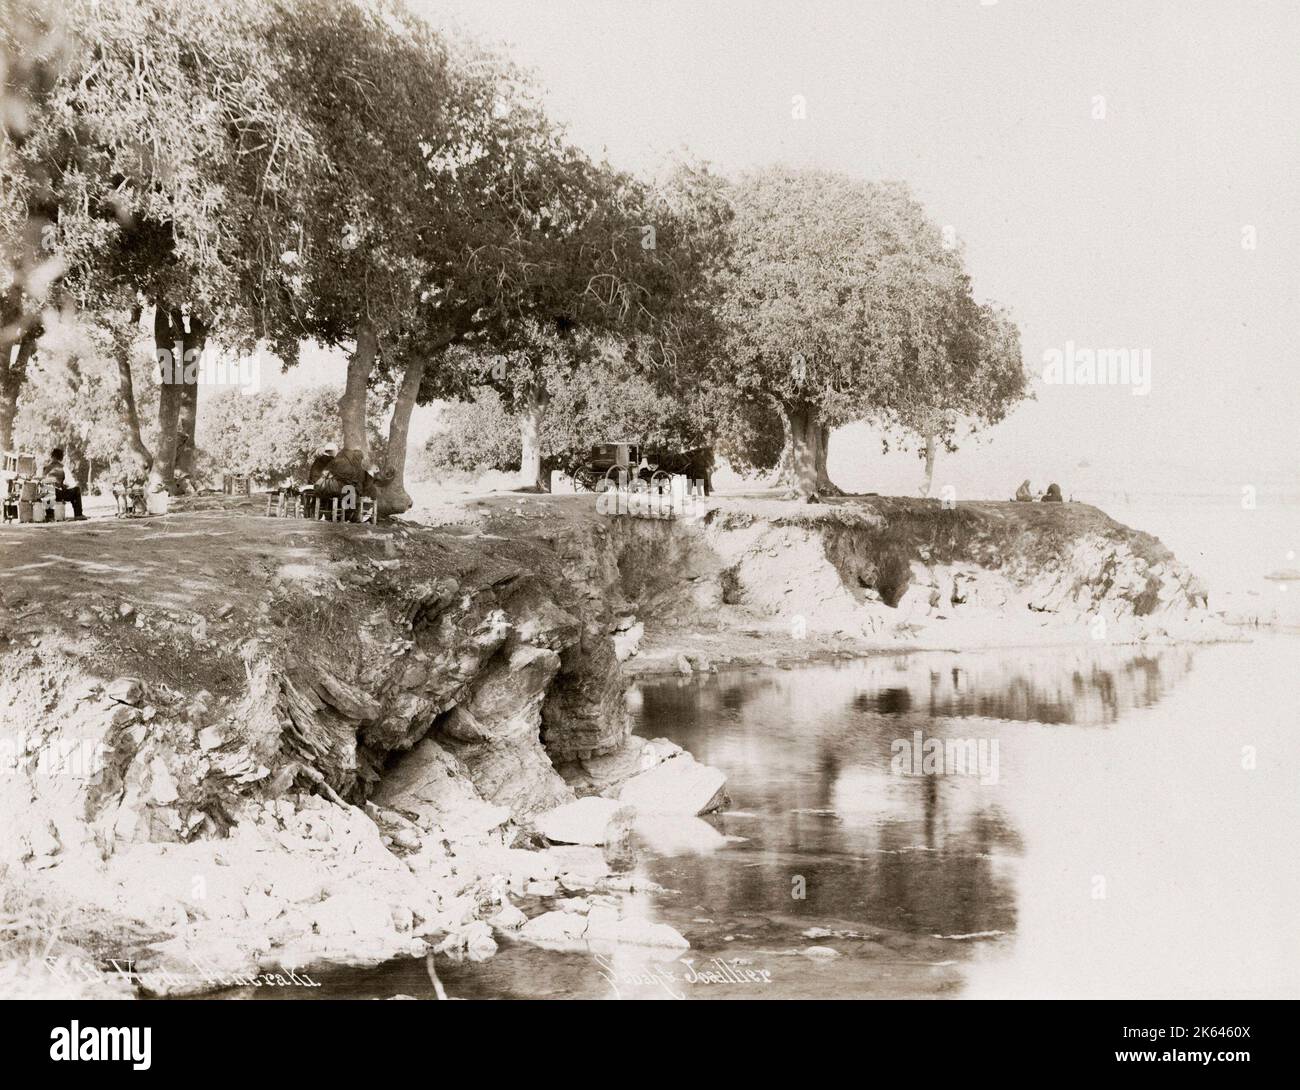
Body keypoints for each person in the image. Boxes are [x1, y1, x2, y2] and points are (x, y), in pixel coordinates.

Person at [43, 447, 86, 520]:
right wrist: (63, 485)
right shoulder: (63, 467)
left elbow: (42, 481)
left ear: (52, 456)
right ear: (61, 458)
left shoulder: (45, 468)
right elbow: (71, 483)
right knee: (76, 490)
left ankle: (50, 515)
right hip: (59, 494)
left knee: (48, 488)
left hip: (47, 494)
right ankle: (78, 514)